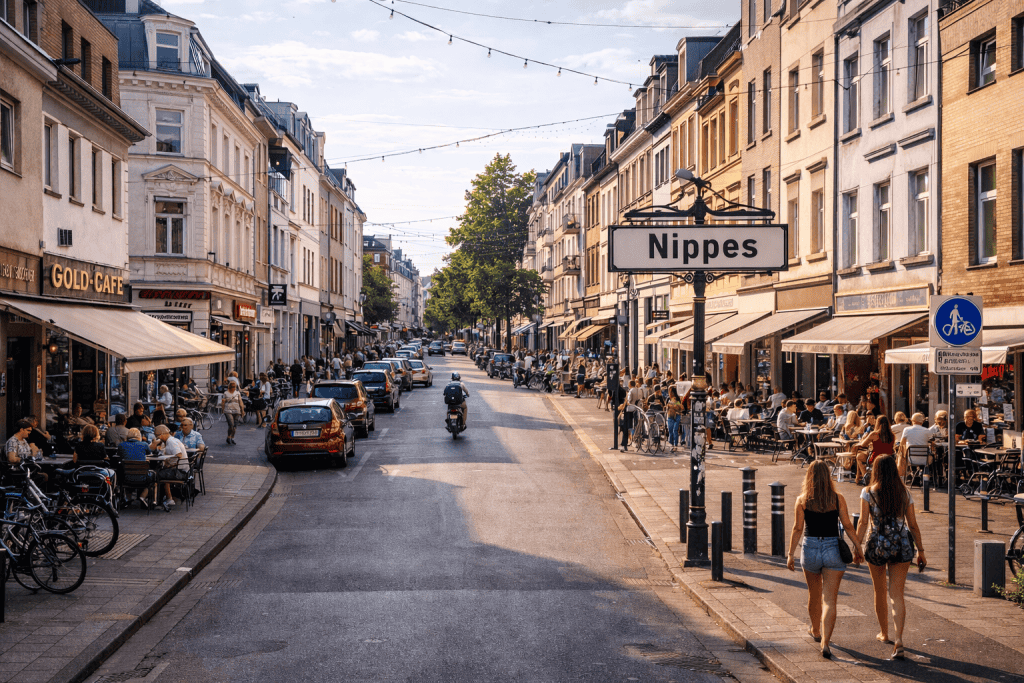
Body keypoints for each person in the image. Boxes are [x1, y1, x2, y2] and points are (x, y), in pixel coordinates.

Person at [787, 460, 863, 659]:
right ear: (828, 477)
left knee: (814, 594)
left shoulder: (802, 500)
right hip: (832, 548)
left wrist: (790, 554)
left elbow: (797, 529)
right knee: (830, 599)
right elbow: (847, 525)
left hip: (810, 547)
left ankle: (815, 629)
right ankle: (826, 642)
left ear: (809, 477)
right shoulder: (837, 499)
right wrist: (857, 545)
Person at [859, 454, 926, 660]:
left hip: (876, 546)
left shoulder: (868, 492)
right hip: (901, 546)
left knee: (879, 591)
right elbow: (912, 524)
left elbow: (862, 522)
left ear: (876, 470)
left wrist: (856, 546)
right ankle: (898, 640)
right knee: (897, 594)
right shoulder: (904, 492)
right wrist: (921, 550)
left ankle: (884, 633)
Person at [150, 424, 189, 511]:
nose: (158, 439)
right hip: (182, 470)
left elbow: (178, 454)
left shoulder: (171, 442)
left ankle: (158, 501)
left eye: (157, 436)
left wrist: (170, 465)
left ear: (162, 434)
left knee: (155, 475)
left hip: (179, 472)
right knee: (160, 472)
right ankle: (168, 498)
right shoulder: (170, 440)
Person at [855, 415, 895, 485]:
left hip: (875, 458)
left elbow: (863, 444)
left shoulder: (874, 434)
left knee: (859, 456)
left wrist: (866, 438)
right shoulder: (892, 435)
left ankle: (865, 477)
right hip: (888, 458)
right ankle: (859, 477)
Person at [117, 428, 152, 508]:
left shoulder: (121, 445)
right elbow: (149, 453)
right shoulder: (144, 444)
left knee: (126, 471)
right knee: (154, 478)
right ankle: (142, 497)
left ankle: (128, 499)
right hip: (143, 478)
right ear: (139, 436)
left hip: (126, 478)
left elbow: (119, 454)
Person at [222, 379, 244, 445]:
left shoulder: (237, 393)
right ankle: (229, 437)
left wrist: (242, 410)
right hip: (228, 410)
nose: (234, 388)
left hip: (237, 410)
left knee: (235, 426)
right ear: (229, 387)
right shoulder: (226, 393)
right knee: (231, 424)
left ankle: (232, 437)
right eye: (232, 386)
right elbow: (223, 402)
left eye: (234, 387)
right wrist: (223, 409)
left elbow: (241, 402)